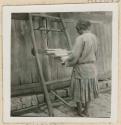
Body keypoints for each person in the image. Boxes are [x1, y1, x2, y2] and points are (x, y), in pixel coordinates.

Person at [63, 19, 99, 117]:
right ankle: (86, 110)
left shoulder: (81, 38)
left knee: (78, 90)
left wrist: (66, 61)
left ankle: (79, 111)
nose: (77, 31)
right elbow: (96, 54)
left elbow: (75, 56)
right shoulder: (94, 37)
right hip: (92, 68)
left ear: (79, 28)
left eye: (77, 29)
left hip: (81, 69)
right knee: (89, 89)